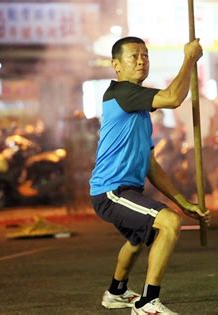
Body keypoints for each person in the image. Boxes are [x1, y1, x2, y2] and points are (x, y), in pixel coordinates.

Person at [89, 36, 210, 315]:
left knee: (137, 240)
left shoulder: (139, 109)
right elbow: (173, 98)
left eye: (145, 55)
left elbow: (151, 166)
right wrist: (189, 59)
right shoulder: (122, 92)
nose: (142, 60)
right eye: (134, 56)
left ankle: (116, 293)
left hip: (126, 190)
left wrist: (183, 201)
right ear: (116, 66)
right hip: (111, 191)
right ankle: (146, 304)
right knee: (168, 223)